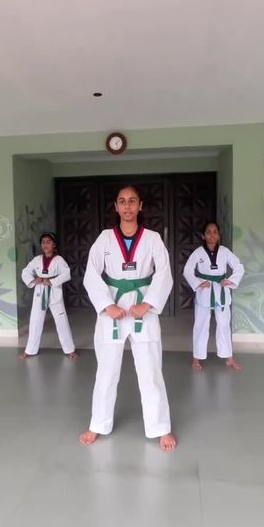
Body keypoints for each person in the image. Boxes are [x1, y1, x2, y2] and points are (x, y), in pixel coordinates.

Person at [79, 186, 177, 451]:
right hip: (112, 309)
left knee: (151, 371)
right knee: (106, 371)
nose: (127, 206)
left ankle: (160, 427)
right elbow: (91, 273)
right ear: (116, 206)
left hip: (143, 309)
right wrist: (106, 305)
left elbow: (164, 273)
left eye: (132, 201)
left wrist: (148, 303)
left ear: (140, 205)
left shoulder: (153, 239)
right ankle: (98, 424)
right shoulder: (105, 238)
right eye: (122, 201)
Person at [183, 221, 244, 372]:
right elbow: (187, 270)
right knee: (201, 324)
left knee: (223, 324)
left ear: (218, 235)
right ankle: (196, 357)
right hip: (205, 290)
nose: (212, 235)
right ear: (203, 236)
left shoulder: (224, 251)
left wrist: (230, 281)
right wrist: (198, 283)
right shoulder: (198, 252)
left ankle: (229, 357)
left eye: (215, 232)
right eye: (208, 232)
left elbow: (239, 266)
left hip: (221, 290)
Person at [20, 232, 77, 360]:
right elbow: (25, 272)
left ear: (54, 244)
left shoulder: (59, 260)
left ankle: (69, 350)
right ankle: (30, 350)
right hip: (40, 292)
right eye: (43, 242)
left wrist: (51, 281)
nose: (45, 245)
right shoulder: (36, 260)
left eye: (48, 242)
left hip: (54, 292)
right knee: (35, 321)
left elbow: (66, 274)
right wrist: (34, 280)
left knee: (62, 321)